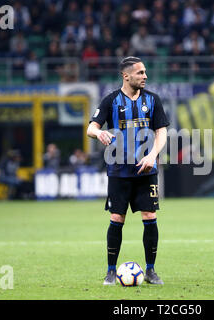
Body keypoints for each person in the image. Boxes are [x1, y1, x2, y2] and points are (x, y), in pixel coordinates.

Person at [87, 56, 169, 286]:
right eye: (140, 73)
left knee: (150, 217)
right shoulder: (110, 100)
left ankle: (151, 270)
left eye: (145, 72)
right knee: (116, 218)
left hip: (147, 170)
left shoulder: (153, 100)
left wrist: (152, 155)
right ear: (126, 75)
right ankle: (111, 271)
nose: (145, 76)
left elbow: (161, 131)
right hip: (118, 170)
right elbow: (91, 127)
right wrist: (99, 133)